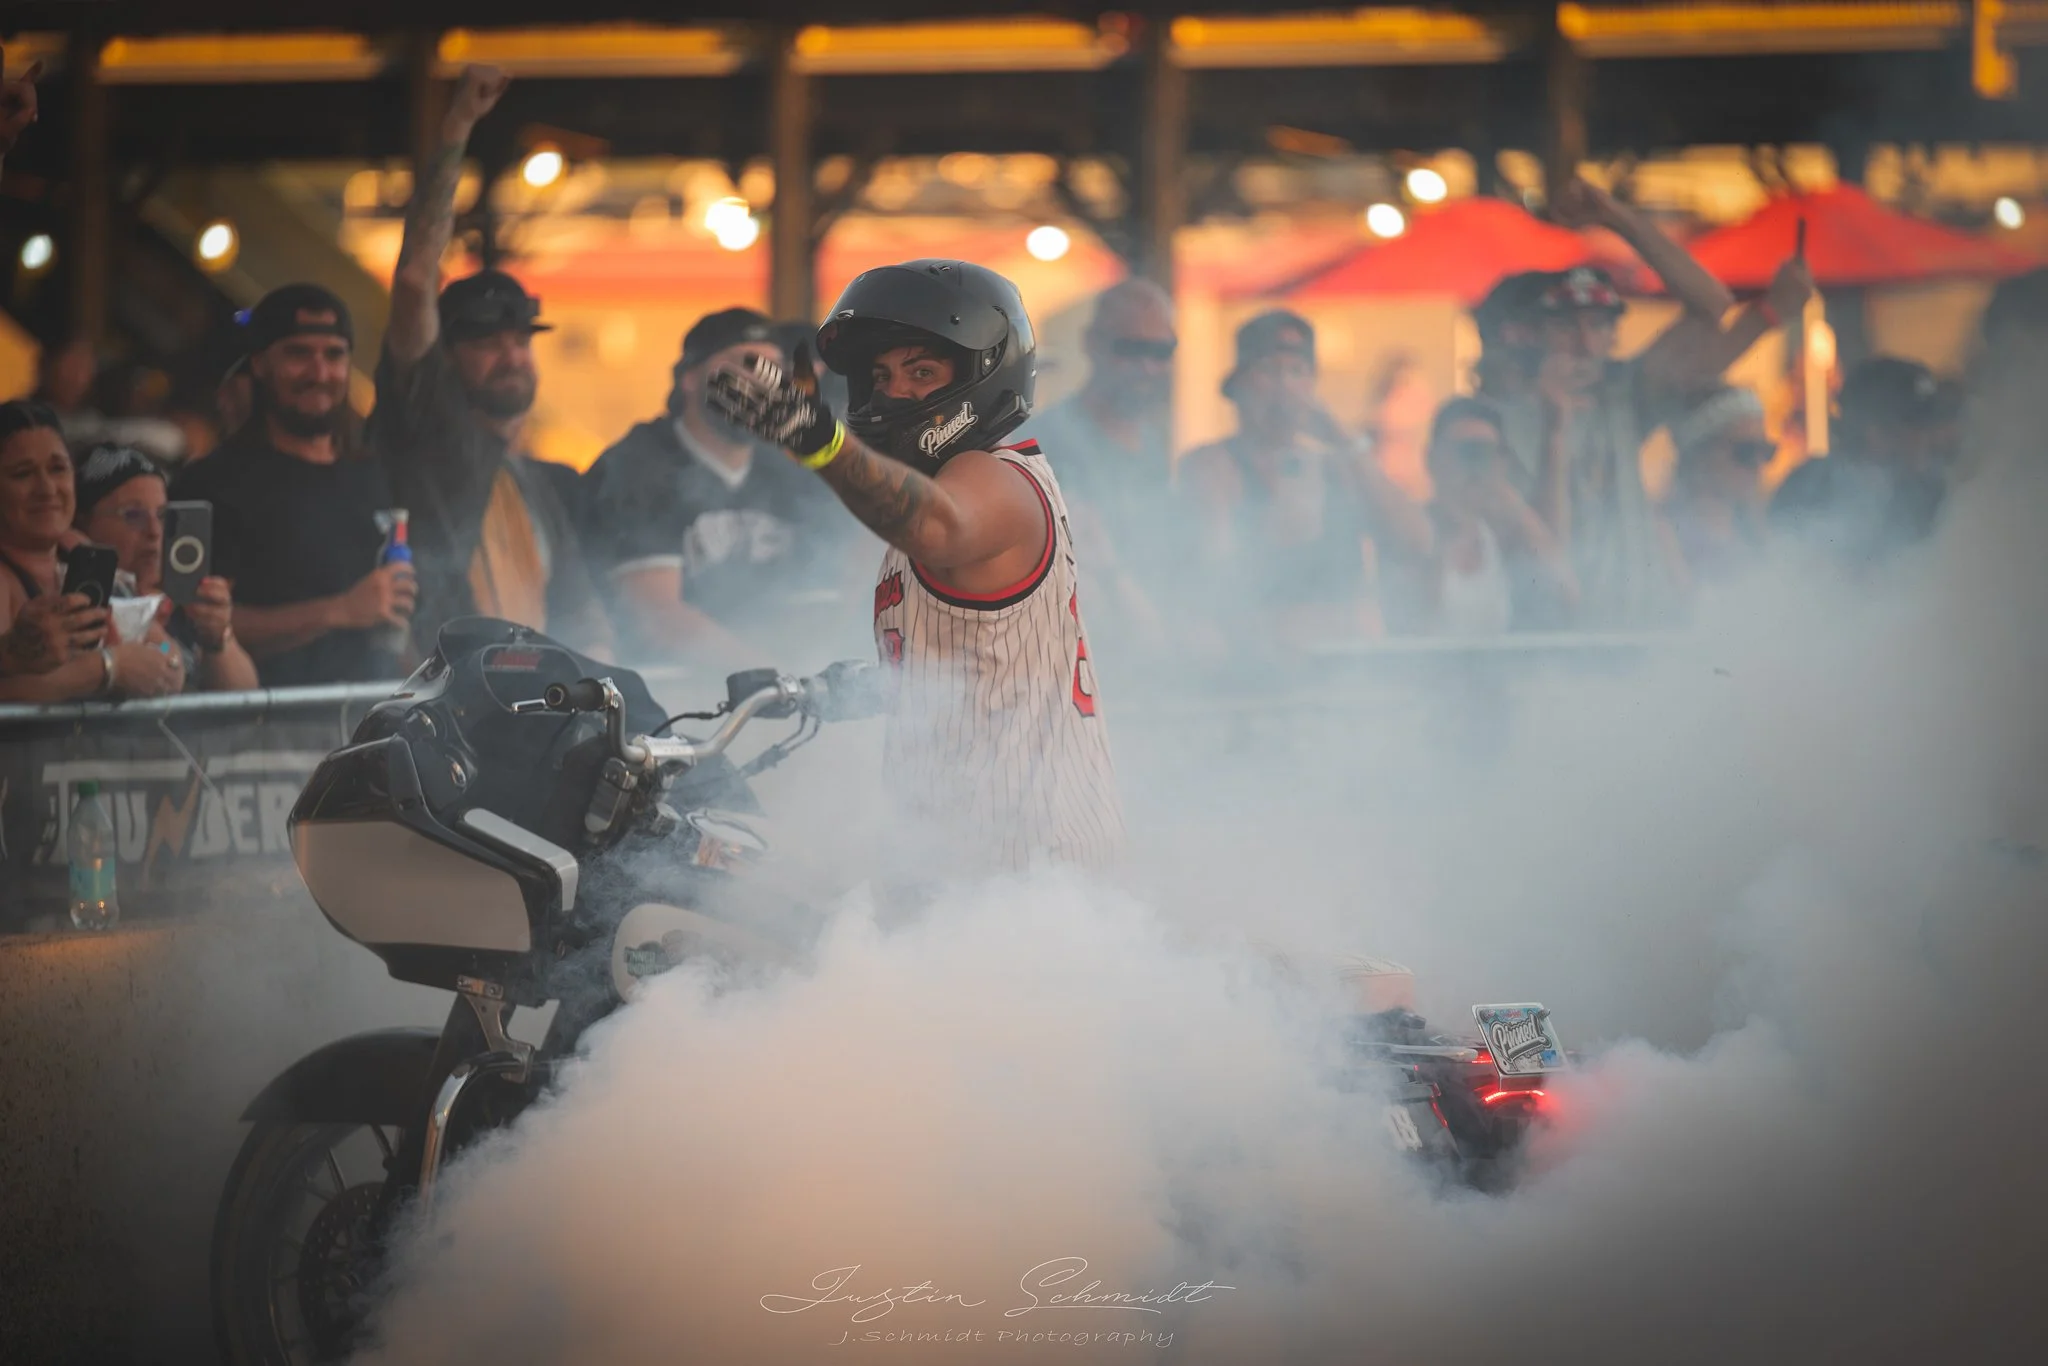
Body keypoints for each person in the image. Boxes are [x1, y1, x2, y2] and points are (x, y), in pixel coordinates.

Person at [706, 258, 1124, 875]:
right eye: (881, 374)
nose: (893, 392)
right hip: (964, 858)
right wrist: (837, 689)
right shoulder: (948, 490)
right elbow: (979, 663)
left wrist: (815, 438)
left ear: (983, 374)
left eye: (922, 372)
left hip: (1025, 868)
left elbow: (938, 526)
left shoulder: (993, 478)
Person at [1490, 177, 1813, 628]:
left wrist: (1615, 217)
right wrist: (1554, 427)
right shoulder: (1489, 426)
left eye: (1600, 326)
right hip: (1555, 645)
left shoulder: (1618, 401)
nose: (1586, 344)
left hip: (1634, 638)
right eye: (1567, 327)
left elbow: (1712, 304)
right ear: (1527, 336)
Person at [370, 64, 611, 659]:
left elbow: (585, 623)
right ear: (445, 359)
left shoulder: (536, 483)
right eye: (485, 342)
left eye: (519, 340)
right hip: (435, 729)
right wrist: (457, 128)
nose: (510, 355)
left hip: (529, 724)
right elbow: (412, 279)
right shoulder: (428, 431)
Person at [170, 283, 415, 686]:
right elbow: (190, 623)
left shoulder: (373, 474)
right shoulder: (209, 484)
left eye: (334, 355)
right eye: (299, 354)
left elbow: (393, 616)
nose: (319, 374)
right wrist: (340, 610)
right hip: (264, 735)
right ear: (261, 364)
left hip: (376, 725)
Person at [583, 307, 844, 664]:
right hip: (671, 698)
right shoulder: (639, 467)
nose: (764, 382)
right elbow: (658, 618)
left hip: (780, 689)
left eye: (775, 369)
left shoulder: (788, 475)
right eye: (746, 364)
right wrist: (777, 676)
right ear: (690, 378)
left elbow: (831, 589)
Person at [1178, 310, 1433, 651]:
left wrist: (1343, 439)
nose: (1284, 385)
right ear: (1239, 386)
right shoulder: (1214, 466)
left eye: (1296, 371)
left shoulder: (1337, 469)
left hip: (1344, 674)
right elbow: (1214, 584)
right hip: (1257, 671)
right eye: (1269, 371)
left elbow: (1416, 543)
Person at [1017, 279, 1181, 656]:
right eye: (1130, 348)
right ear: (1093, 344)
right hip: (1079, 654)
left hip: (1149, 652)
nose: (1147, 366)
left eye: (1161, 351)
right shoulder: (1045, 442)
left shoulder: (1152, 445)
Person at [0, 402, 185, 701]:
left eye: (58, 468)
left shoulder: (84, 560)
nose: (46, 488)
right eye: (23, 474)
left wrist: (168, 658)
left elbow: (163, 646)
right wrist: (109, 667)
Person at [74, 443, 260, 692]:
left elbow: (244, 694)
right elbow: (165, 655)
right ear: (85, 523)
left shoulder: (181, 598)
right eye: (133, 515)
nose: (154, 531)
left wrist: (217, 637)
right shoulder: (82, 597)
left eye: (162, 516)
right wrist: (161, 642)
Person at [1393, 397, 1577, 635]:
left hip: (1500, 671)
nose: (1474, 464)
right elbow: (1414, 623)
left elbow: (1566, 594)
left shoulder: (1503, 540)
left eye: (1486, 452)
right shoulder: (1410, 532)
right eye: (1464, 451)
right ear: (1432, 459)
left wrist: (1509, 500)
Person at [1769, 356, 1957, 567]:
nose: (1933, 436)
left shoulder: (1935, 494)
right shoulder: (1809, 490)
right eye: (1918, 426)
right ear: (1876, 434)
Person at [1661, 386, 1773, 585]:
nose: (1758, 465)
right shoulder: (1664, 540)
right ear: (1700, 455)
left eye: (1765, 451)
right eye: (1745, 452)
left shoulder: (1758, 538)